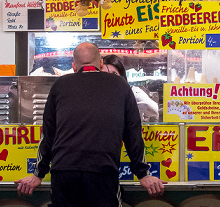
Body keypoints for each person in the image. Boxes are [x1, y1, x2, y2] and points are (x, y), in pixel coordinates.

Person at [15, 42, 166, 206]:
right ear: (101, 63)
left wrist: (38, 174)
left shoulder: (59, 85)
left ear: (74, 66)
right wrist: (143, 173)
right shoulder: (120, 85)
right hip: (102, 171)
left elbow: (48, 135)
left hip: (64, 173)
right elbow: (133, 134)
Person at [102, 55, 160, 122]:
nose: (110, 78)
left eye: (114, 74)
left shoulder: (132, 92)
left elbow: (154, 110)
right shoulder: (96, 95)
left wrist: (128, 103)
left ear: (122, 76)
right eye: (105, 74)